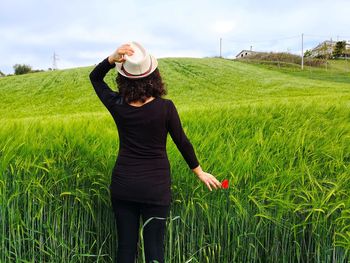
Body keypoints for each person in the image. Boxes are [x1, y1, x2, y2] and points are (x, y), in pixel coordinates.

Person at [89, 42, 221, 263]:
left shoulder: (118, 104)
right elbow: (182, 141)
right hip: (155, 189)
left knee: (125, 249)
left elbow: (95, 78)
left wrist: (112, 59)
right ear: (154, 76)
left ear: (123, 78)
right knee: (154, 251)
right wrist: (199, 171)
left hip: (123, 186)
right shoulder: (165, 107)